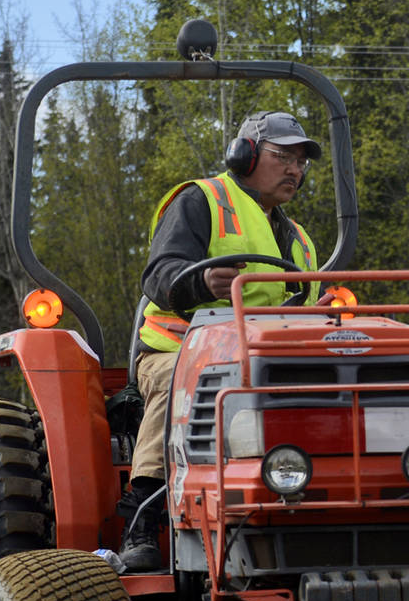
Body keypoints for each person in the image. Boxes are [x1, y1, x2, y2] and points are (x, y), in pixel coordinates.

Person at [116, 110, 323, 570]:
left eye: (301, 162)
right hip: (177, 352)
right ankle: (141, 522)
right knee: (182, 384)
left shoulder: (301, 242)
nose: (295, 169)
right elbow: (160, 272)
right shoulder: (201, 200)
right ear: (244, 155)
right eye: (284, 156)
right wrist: (200, 282)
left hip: (262, 365)